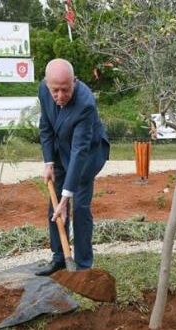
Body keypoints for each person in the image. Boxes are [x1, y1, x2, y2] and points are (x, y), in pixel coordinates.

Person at [35, 59, 110, 276]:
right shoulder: (43, 90)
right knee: (55, 208)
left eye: (65, 90)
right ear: (47, 85)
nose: (59, 96)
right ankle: (59, 258)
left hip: (86, 155)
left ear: (74, 82)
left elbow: (80, 150)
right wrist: (49, 162)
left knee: (79, 208)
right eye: (55, 90)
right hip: (60, 151)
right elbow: (46, 125)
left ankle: (84, 265)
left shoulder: (85, 103)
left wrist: (67, 198)